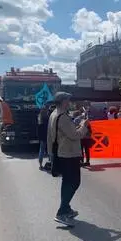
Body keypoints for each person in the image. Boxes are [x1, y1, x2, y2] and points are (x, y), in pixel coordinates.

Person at [47, 92, 89, 227]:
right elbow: (75, 135)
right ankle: (62, 212)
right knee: (74, 182)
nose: (70, 102)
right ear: (63, 101)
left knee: (67, 182)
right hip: (69, 154)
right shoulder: (63, 117)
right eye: (68, 100)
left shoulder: (55, 114)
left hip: (63, 153)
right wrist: (84, 125)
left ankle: (66, 208)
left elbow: (65, 133)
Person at [37, 105, 50, 170]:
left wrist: (39, 137)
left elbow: (38, 129)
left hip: (42, 136)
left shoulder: (39, 118)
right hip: (48, 136)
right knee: (50, 150)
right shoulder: (47, 118)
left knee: (41, 151)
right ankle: (51, 163)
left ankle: (40, 165)